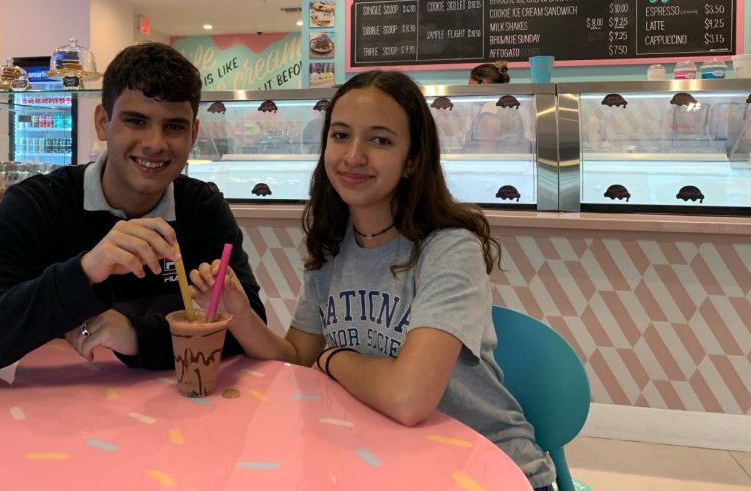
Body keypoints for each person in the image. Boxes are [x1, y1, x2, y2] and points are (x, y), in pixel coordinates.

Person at [189, 70, 555, 490]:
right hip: (392, 460)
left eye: (380, 140)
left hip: (492, 467)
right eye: (341, 135)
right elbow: (295, 355)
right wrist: (239, 314)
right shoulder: (333, 242)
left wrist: (332, 359)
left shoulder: (449, 249)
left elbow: (408, 397)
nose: (353, 156)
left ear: (413, 158)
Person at [0, 42, 266, 385]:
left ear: (192, 134)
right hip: (48, 422)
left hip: (177, 422)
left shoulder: (202, 208)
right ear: (103, 123)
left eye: (174, 126)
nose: (155, 143)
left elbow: (248, 330)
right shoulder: (37, 205)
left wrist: (136, 336)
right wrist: (85, 271)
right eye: (136, 121)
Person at [466, 60, 531, 153]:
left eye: (470, 85)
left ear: (484, 84)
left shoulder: (490, 112)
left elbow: (486, 154)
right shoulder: (502, 104)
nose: (467, 90)